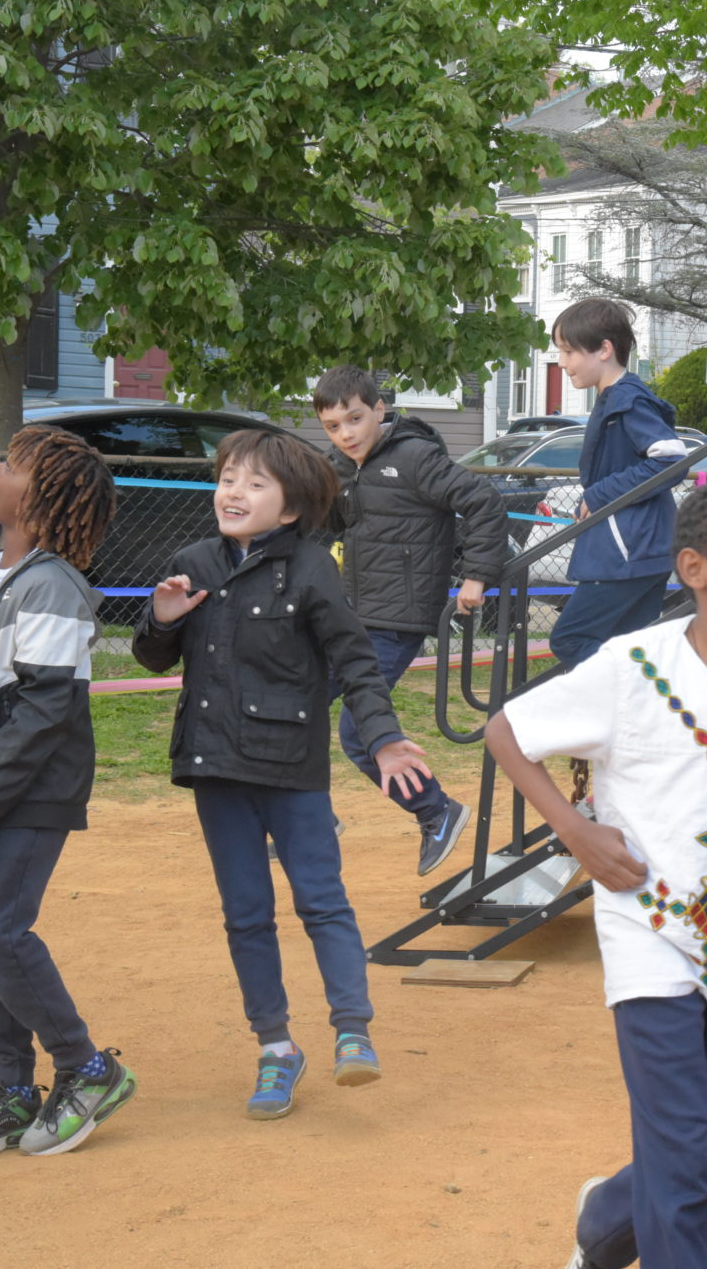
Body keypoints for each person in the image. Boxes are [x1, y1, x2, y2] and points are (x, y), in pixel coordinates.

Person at [482, 477, 707, 1269]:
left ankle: (605, 1222)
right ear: (694, 566)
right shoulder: (629, 666)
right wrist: (575, 829)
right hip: (647, 929)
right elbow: (507, 729)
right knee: (685, 1156)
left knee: (699, 1149)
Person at [132, 428, 434, 1120]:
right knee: (246, 915)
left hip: (291, 768)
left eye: (255, 482)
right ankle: (276, 1049)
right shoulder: (193, 561)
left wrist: (384, 740)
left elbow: (356, 661)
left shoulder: (310, 568)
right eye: (228, 477)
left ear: (293, 508)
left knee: (321, 900)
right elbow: (153, 655)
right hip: (214, 768)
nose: (233, 491)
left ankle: (352, 1029)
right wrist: (160, 617)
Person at [0, 424, 135, 1157]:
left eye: (11, 466)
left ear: (43, 499)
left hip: (27, 793)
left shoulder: (51, 584)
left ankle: (87, 1067)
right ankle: (14, 1086)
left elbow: (44, 708)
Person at [315, 365, 500, 873]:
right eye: (333, 426)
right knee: (297, 699)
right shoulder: (341, 467)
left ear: (380, 410)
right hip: (352, 613)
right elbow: (333, 523)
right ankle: (309, 814)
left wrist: (476, 576)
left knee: (358, 733)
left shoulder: (415, 457)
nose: (346, 433)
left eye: (355, 419)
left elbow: (482, 503)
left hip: (395, 620)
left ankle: (436, 810)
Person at [549, 298, 687, 670]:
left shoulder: (626, 399)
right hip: (640, 549)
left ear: (604, 350)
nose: (561, 363)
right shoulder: (616, 398)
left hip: (628, 551)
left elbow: (672, 458)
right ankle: (640, 710)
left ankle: (640, 692)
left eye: (567, 351)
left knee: (570, 639)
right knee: (629, 649)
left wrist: (600, 494)